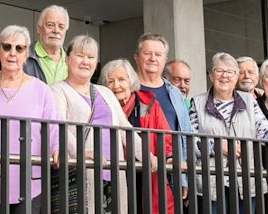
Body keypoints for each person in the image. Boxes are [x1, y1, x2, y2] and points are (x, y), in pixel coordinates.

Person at [51, 35, 156, 214]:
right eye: (80, 56)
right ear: (67, 59)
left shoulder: (105, 92)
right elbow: (58, 126)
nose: (86, 62)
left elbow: (124, 128)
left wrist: (146, 154)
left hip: (112, 173)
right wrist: (81, 152)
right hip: (82, 173)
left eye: (91, 57)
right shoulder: (57, 90)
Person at [189, 52, 268, 213]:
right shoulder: (198, 103)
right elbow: (190, 142)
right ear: (211, 75)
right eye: (219, 71)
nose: (224, 76)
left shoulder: (249, 102)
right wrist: (216, 146)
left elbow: (264, 131)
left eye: (230, 72)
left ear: (236, 78)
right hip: (211, 182)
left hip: (246, 180)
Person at [0, 25, 63, 213]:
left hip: (29, 185)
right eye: (7, 47)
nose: (13, 53)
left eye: (19, 48)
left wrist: (57, 147)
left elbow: (54, 127)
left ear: (26, 54)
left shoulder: (41, 90)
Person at [100, 58, 175, 214]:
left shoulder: (149, 104)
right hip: (115, 175)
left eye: (121, 79)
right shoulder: (101, 106)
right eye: (110, 81)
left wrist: (169, 157)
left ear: (131, 81)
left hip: (147, 175)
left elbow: (165, 136)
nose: (116, 86)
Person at [133, 33, 193, 201]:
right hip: (134, 171)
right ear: (136, 57)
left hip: (169, 174)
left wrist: (184, 178)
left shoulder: (174, 93)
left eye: (158, 54)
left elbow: (185, 136)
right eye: (147, 53)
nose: (153, 58)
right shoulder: (128, 88)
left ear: (165, 59)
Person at [24, 5, 70, 84]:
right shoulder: (23, 57)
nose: (56, 31)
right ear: (39, 28)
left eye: (61, 27)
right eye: (50, 25)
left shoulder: (73, 59)